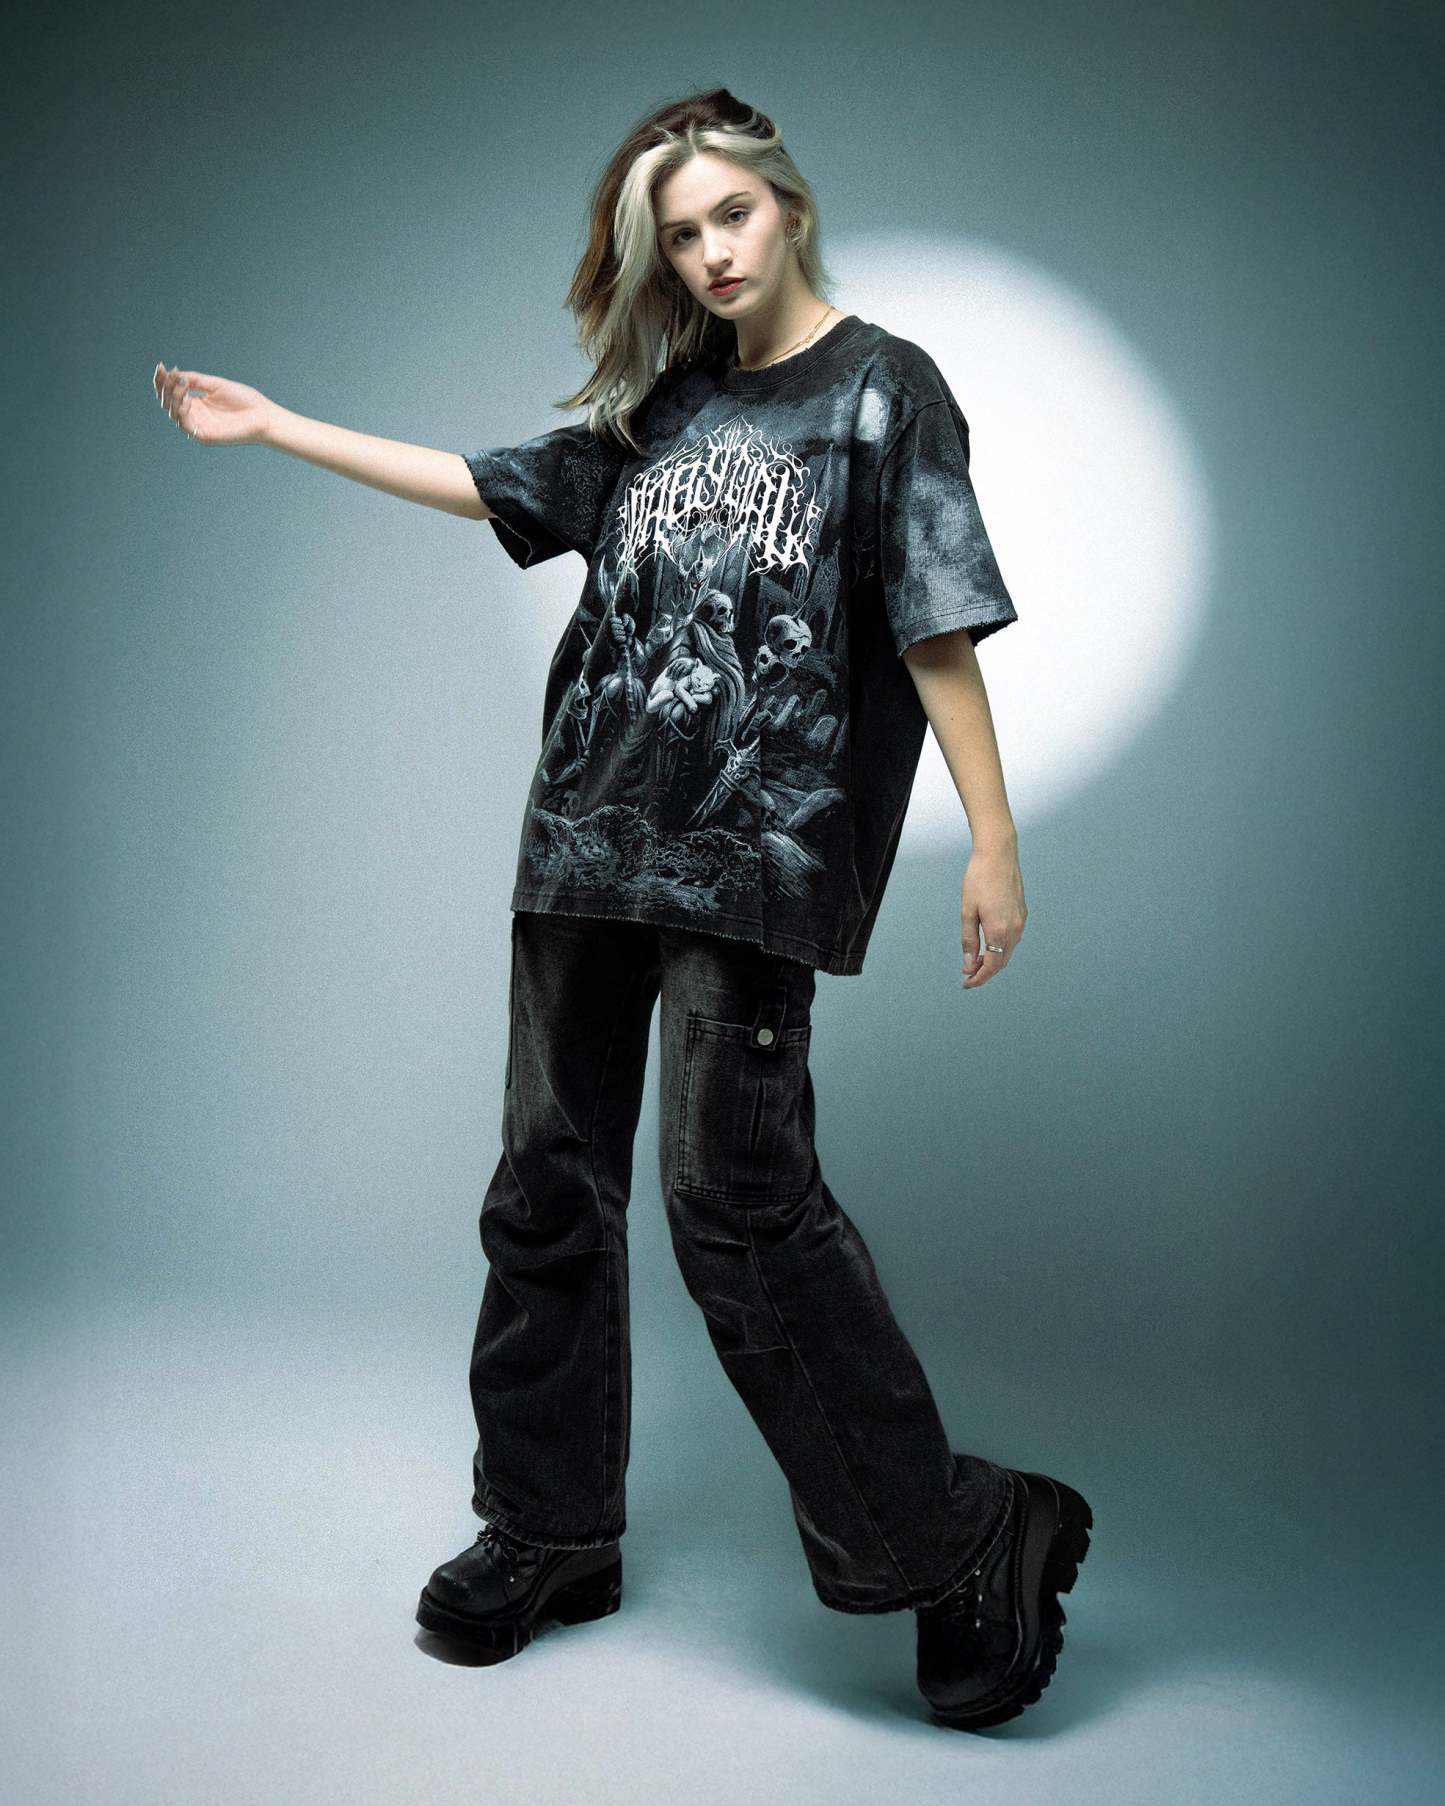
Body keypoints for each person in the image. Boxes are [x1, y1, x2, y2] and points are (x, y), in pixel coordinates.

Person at [152, 85, 1091, 1732]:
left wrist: (993, 840)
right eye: (678, 234)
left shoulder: (884, 389)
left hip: (752, 856)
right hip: (584, 840)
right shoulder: (660, 410)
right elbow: (490, 483)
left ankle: (956, 1533)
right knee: (545, 1186)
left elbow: (934, 621)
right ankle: (549, 1525)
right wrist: (281, 425)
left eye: (729, 214)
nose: (709, 251)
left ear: (787, 205)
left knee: (736, 1199)